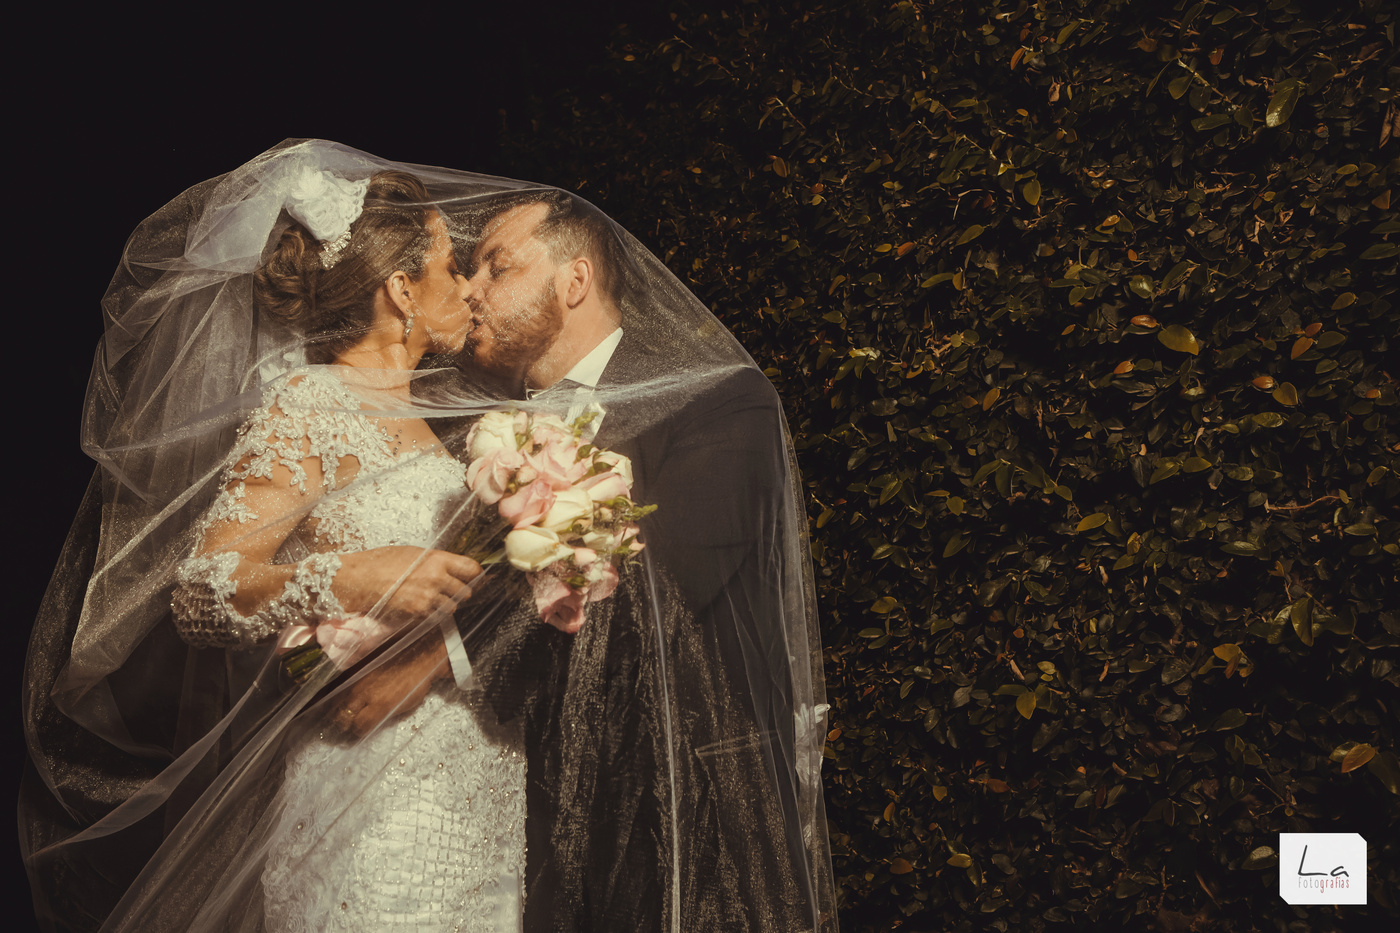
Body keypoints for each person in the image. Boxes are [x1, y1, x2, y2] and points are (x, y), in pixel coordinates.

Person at [20, 139, 835, 932]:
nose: (472, 288)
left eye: (493, 266)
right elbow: (207, 586)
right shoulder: (326, 404)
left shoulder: (665, 412)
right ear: (401, 291)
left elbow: (652, 585)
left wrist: (426, 654)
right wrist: (349, 579)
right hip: (379, 796)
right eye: (458, 266)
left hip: (536, 809)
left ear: (575, 279)